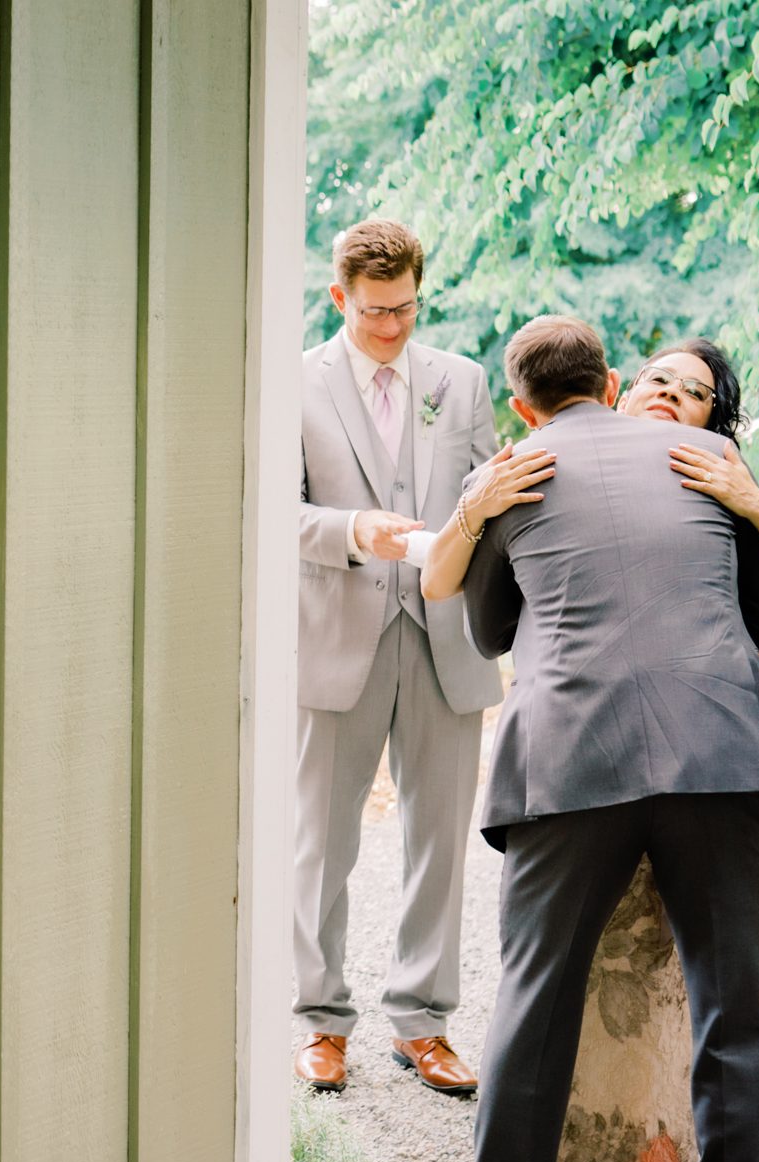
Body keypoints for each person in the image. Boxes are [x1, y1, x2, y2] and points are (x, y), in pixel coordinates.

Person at [419, 338, 759, 1162]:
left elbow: (487, 623)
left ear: (522, 400)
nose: (669, 396)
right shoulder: (705, 470)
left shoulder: (529, 467)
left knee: (534, 996)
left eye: (692, 390)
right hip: (722, 757)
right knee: (734, 1012)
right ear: (618, 385)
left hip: (571, 761)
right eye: (659, 380)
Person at [290, 219, 504, 1098]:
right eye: (377, 312)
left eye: (407, 308)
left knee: (440, 842)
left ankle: (423, 1020)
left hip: (445, 637)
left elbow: (494, 496)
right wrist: (352, 530)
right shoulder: (293, 383)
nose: (393, 327)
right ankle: (319, 1019)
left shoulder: (462, 381)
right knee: (321, 842)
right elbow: (270, 511)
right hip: (339, 636)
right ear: (340, 297)